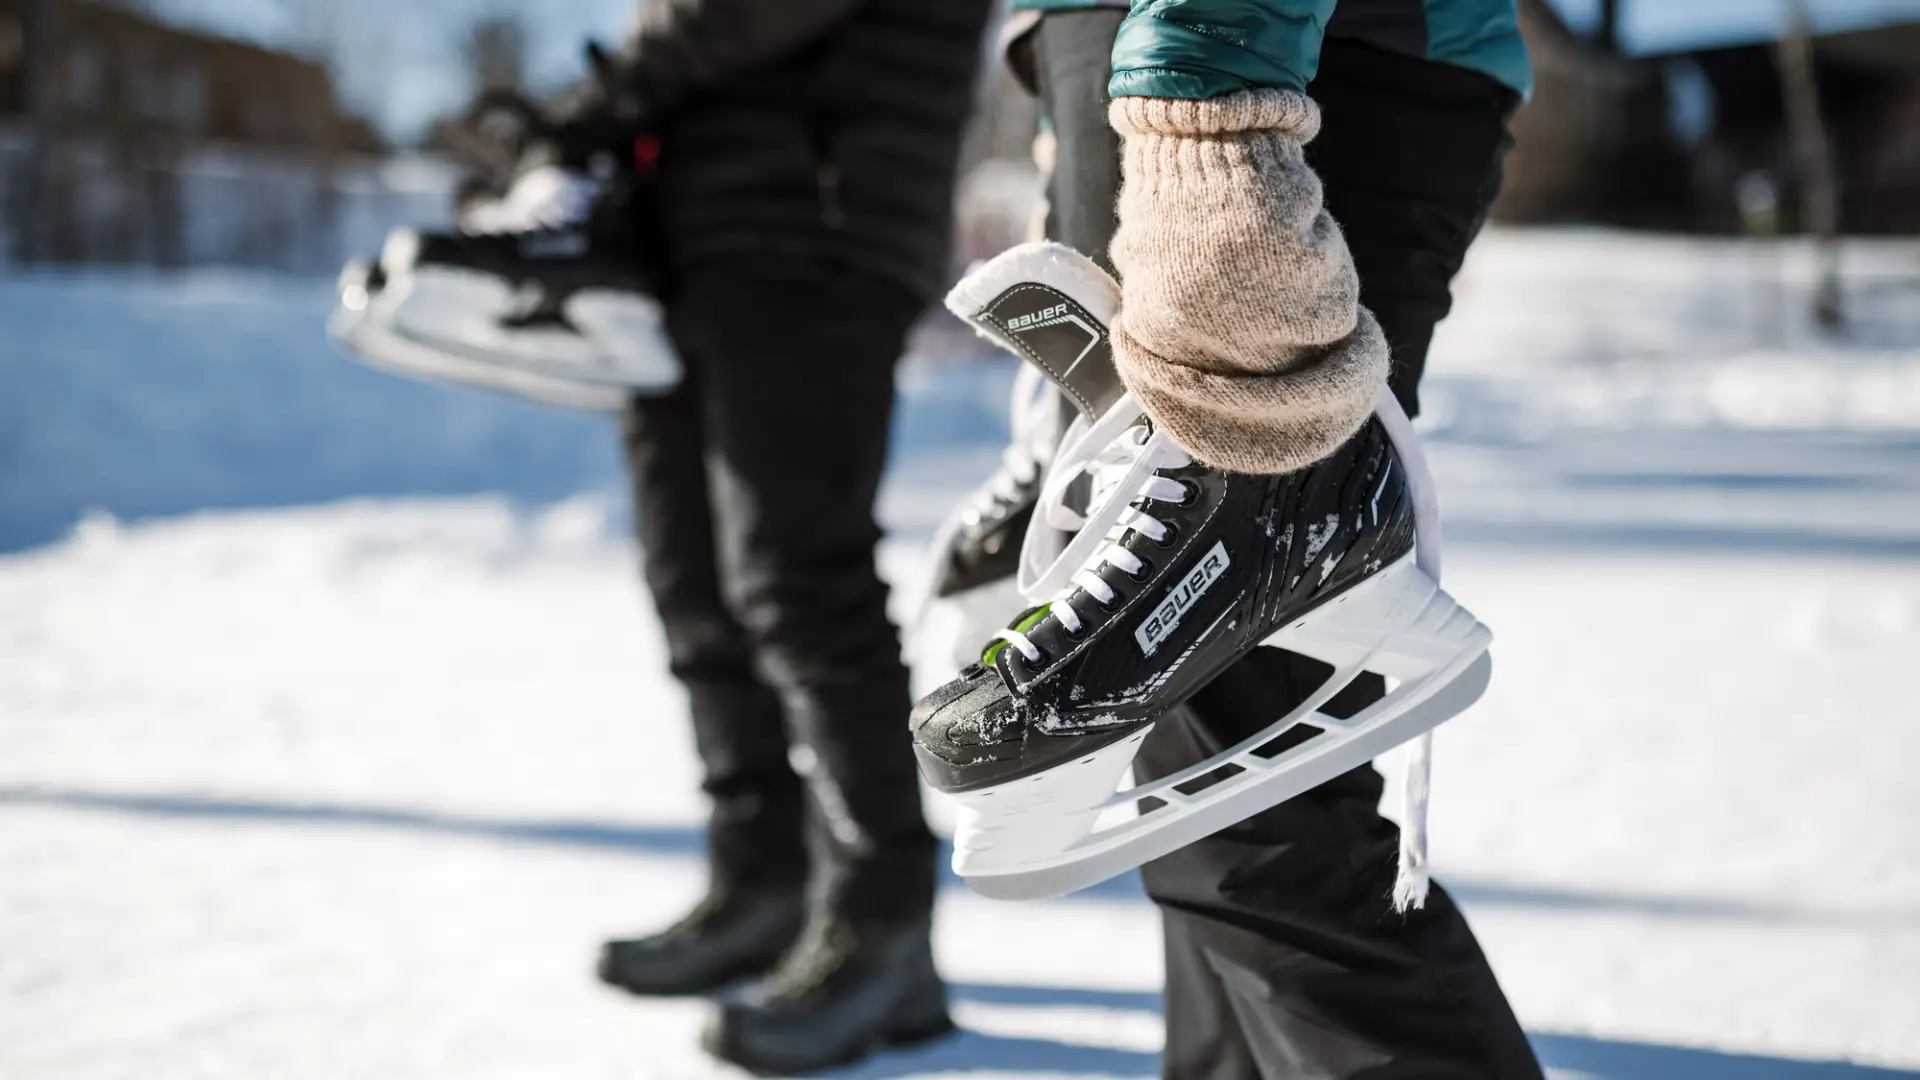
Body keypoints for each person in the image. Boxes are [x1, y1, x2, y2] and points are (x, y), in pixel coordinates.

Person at [343, 1, 995, 1072]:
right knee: (694, 585)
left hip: (814, 216)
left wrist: (605, 96)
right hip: (677, 236)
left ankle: (882, 926)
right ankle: (763, 880)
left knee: (799, 581)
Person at [914, 1, 1546, 1075]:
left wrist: (1207, 98)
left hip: (1286, 55)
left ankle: (1321, 520)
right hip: (1129, 50)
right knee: (1190, 796)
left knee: (1257, 807)